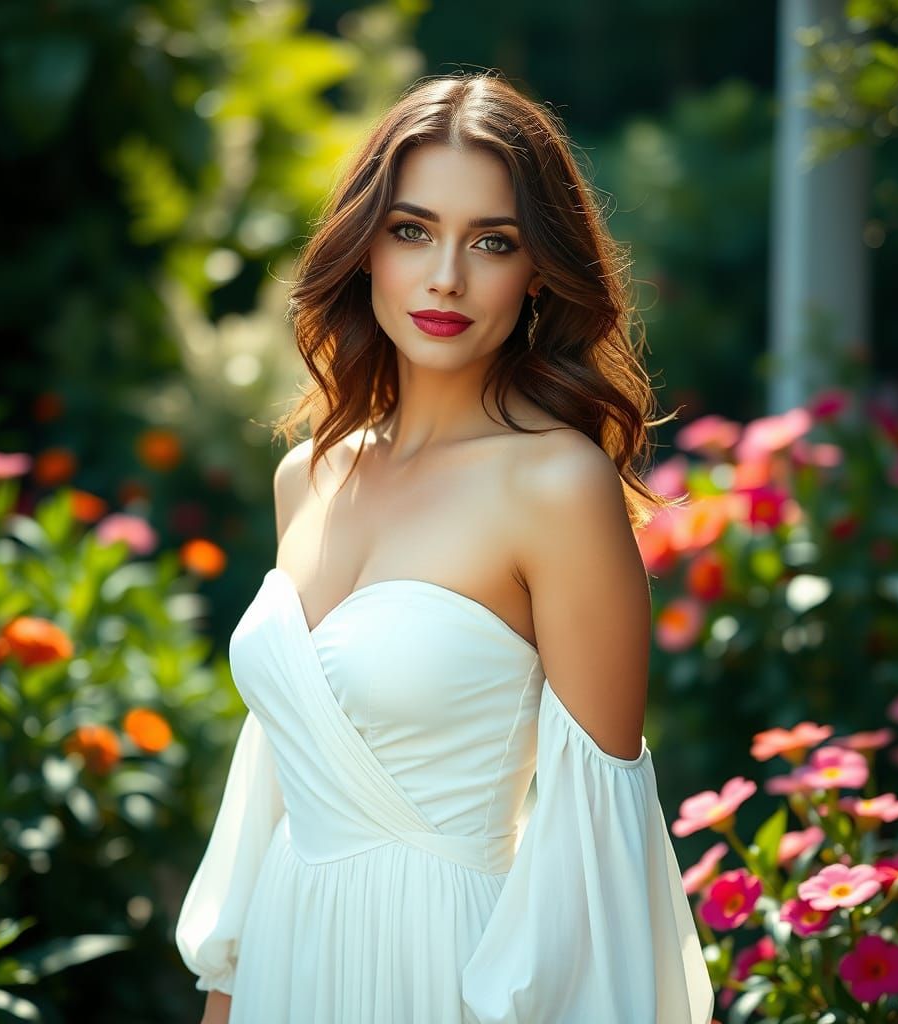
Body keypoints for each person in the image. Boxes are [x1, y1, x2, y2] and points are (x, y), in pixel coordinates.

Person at [175, 70, 715, 1023]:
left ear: (540, 269)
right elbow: (277, 785)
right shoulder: (308, 475)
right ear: (365, 246)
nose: (446, 278)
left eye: (493, 243)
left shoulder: (555, 486)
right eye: (412, 230)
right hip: (284, 974)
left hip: (449, 974)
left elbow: (600, 843)